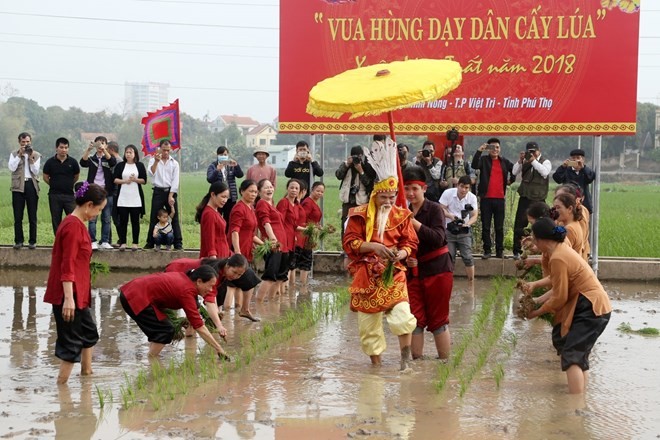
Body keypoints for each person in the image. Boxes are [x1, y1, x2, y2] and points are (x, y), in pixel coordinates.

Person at [343, 138, 418, 370]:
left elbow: (410, 242)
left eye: (392, 197)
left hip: (393, 273)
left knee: (403, 317)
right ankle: (376, 368)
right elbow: (350, 243)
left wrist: (402, 254)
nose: (388, 202)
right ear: (375, 194)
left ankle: (406, 360)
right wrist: (374, 247)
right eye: (384, 197)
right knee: (369, 327)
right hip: (366, 274)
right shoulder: (359, 214)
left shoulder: (402, 215)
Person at [524, 217, 611, 394]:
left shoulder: (558, 257)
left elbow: (559, 297)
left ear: (541, 240)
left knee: (571, 354)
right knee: (574, 352)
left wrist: (537, 312)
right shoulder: (560, 249)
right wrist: (536, 300)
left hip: (591, 306)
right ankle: (579, 400)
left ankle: (575, 407)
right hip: (588, 303)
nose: (534, 244)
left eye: (534, 239)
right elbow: (559, 285)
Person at [44, 181, 107, 384]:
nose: (98, 214)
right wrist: (69, 300)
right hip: (68, 295)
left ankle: (86, 374)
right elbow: (67, 264)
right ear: (88, 205)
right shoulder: (72, 227)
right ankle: (61, 389)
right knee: (70, 345)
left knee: (89, 333)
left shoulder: (78, 224)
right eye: (99, 210)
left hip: (78, 293)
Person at [119, 265, 231, 360]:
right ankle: (152, 361)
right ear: (199, 281)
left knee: (162, 328)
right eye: (210, 286)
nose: (211, 290)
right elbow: (199, 326)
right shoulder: (186, 291)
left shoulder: (186, 281)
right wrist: (219, 349)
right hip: (134, 297)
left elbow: (194, 316)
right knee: (166, 330)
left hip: (133, 291)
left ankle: (153, 357)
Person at [403, 166, 454, 360]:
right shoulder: (402, 211)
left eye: (415, 188)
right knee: (414, 319)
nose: (410, 193)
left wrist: (414, 223)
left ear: (424, 188)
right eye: (407, 189)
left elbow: (438, 238)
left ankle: (444, 364)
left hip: (438, 270)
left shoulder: (434, 209)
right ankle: (417, 364)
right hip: (413, 272)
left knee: (438, 320)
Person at [195, 182, 261, 321]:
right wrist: (214, 260)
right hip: (216, 258)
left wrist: (232, 255)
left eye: (227, 197)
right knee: (214, 293)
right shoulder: (208, 214)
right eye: (222, 197)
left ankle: (238, 312)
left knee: (247, 279)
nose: (225, 200)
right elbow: (209, 239)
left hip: (225, 256)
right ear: (213, 194)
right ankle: (206, 323)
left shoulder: (215, 211)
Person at [471, 138, 515, 259]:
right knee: (486, 226)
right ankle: (487, 250)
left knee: (499, 227)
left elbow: (515, 169)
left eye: (497, 147)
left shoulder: (504, 161)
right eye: (492, 147)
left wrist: (511, 180)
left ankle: (499, 251)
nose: (495, 150)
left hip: (500, 199)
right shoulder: (484, 160)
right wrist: (479, 150)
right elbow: (474, 165)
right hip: (486, 198)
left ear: (500, 149)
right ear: (488, 149)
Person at [512, 141, 552, 260]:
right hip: (525, 197)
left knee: (542, 224)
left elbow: (544, 172)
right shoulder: (525, 161)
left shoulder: (545, 161)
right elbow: (514, 172)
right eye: (529, 151)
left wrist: (533, 161)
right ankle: (517, 250)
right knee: (519, 224)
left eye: (534, 151)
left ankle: (543, 249)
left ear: (539, 151)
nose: (532, 153)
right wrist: (520, 161)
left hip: (539, 199)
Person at [229, 179, 263, 316]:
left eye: (255, 192)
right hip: (239, 251)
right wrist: (237, 253)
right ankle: (236, 311)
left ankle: (240, 310)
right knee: (248, 281)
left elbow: (250, 234)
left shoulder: (251, 208)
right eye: (250, 191)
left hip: (248, 250)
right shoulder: (239, 208)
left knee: (238, 284)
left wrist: (265, 244)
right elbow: (235, 231)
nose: (254, 194)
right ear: (242, 191)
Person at [438, 175, 479, 281]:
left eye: (466, 188)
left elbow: (475, 215)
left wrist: (467, 223)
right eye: (461, 186)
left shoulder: (472, 197)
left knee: (468, 257)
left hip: (464, 230)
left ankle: (471, 284)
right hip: (449, 229)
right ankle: (448, 282)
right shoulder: (448, 193)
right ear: (457, 185)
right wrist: (451, 216)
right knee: (449, 257)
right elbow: (440, 209)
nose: (463, 190)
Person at [80, 136, 116, 250]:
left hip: (107, 191)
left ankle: (105, 241)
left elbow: (112, 162)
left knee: (106, 218)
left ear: (106, 145)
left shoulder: (108, 158)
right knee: (92, 218)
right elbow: (83, 162)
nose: (100, 146)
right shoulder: (92, 159)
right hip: (94, 191)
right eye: (98, 144)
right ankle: (92, 241)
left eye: (103, 144)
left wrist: (104, 150)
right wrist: (89, 149)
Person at [145, 139, 182, 250]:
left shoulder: (174, 163)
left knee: (174, 217)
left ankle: (178, 243)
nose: (166, 153)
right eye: (164, 150)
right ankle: (151, 242)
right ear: (160, 148)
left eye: (168, 150)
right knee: (154, 217)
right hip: (158, 191)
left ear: (170, 150)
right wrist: (156, 161)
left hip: (170, 191)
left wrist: (171, 195)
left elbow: (175, 181)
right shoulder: (153, 160)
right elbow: (151, 173)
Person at [255, 179, 288, 301]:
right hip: (274, 244)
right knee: (270, 275)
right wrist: (273, 239)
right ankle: (259, 303)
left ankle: (272, 304)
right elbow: (265, 222)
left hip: (282, 244)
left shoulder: (271, 204)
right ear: (259, 192)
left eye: (271, 187)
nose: (270, 189)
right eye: (266, 187)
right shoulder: (262, 203)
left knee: (279, 277)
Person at [336, 145, 376, 240]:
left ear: (362, 156)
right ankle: (346, 248)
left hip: (361, 201)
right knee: (345, 225)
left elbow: (369, 183)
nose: (356, 159)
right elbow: (338, 175)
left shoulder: (366, 166)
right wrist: (346, 164)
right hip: (348, 201)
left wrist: (361, 171)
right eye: (354, 156)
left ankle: (360, 246)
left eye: (358, 156)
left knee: (360, 224)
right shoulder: (347, 165)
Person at [9, 132, 41, 249]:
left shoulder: (36, 155)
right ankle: (19, 241)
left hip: (31, 186)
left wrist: (30, 157)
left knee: (32, 216)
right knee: (18, 216)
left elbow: (36, 171)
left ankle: (32, 241)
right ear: (19, 142)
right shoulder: (14, 154)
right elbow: (11, 167)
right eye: (23, 142)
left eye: (27, 142)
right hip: (18, 186)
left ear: (30, 142)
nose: (25, 144)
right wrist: (19, 155)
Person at [42, 137, 80, 235]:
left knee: (73, 219)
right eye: (61, 147)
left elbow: (76, 176)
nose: (64, 150)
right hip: (55, 195)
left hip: (69, 196)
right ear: (56, 148)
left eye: (66, 148)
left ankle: (72, 240)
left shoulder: (73, 162)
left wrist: (68, 184)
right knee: (56, 220)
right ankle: (58, 241)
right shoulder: (50, 162)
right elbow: (45, 177)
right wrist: (54, 184)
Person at [113, 145, 147, 251]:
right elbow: (115, 179)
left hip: (135, 198)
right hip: (123, 197)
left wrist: (135, 179)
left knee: (135, 221)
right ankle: (123, 242)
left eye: (130, 152)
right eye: (127, 152)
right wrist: (125, 181)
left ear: (135, 154)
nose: (128, 154)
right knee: (123, 221)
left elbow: (144, 180)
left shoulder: (140, 165)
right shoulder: (120, 165)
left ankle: (135, 243)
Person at [207, 145, 244, 225]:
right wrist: (217, 170)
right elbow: (210, 179)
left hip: (230, 197)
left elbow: (240, 175)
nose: (223, 156)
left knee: (229, 219)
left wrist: (237, 166)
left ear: (228, 155)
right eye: (221, 155)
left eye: (225, 155)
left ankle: (227, 236)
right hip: (218, 197)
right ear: (217, 155)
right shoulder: (213, 166)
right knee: (217, 218)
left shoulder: (231, 166)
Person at [298, 182, 325, 287]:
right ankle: (303, 285)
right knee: (306, 258)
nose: (319, 193)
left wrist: (318, 226)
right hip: (305, 234)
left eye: (322, 192)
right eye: (317, 191)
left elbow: (314, 219)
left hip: (311, 234)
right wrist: (310, 228)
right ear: (312, 189)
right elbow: (303, 218)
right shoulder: (308, 203)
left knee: (308, 258)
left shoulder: (314, 202)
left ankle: (304, 282)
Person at [553, 149, 596, 214]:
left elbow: (590, 178)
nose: (575, 160)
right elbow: (557, 179)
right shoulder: (566, 170)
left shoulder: (585, 171)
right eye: (573, 158)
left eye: (578, 158)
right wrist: (562, 167)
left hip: (583, 203)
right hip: (567, 202)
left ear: (583, 159)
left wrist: (583, 167)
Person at [107, 141, 122, 246]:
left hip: (116, 191)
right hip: (115, 191)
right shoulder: (120, 160)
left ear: (111, 150)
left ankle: (121, 240)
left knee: (115, 217)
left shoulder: (117, 161)